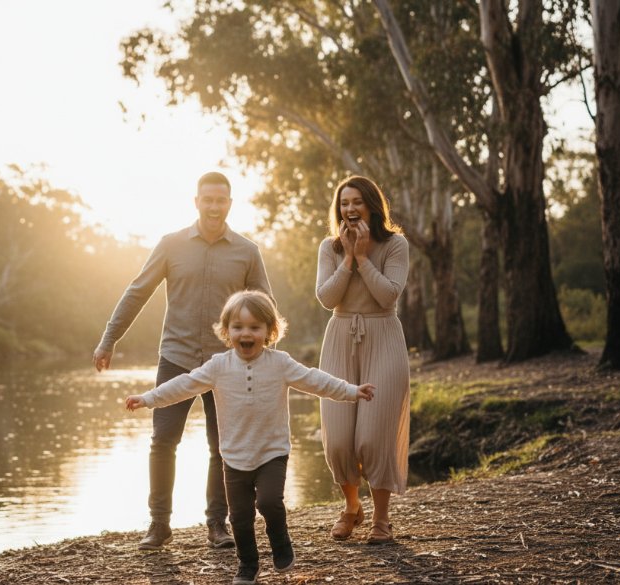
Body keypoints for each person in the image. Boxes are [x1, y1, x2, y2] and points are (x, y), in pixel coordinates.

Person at [126, 291, 374, 585]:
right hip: (233, 457)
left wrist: (351, 390)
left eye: (255, 327)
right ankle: (247, 565)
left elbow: (315, 380)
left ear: (269, 331)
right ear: (226, 331)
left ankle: (280, 540)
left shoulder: (280, 363)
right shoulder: (218, 366)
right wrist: (148, 398)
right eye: (238, 327)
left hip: (272, 452)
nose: (246, 333)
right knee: (240, 518)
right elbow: (184, 385)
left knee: (269, 502)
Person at [93, 171, 273, 551]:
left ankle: (216, 526)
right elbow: (137, 292)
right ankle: (159, 525)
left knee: (221, 446)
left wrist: (265, 358)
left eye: (220, 200)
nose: (213, 206)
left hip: (227, 364)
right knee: (162, 441)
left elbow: (264, 308)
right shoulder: (171, 245)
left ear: (229, 204)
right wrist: (109, 339)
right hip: (175, 358)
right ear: (196, 202)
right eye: (207, 199)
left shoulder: (246, 251)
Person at [315, 175, 410, 544]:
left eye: (356, 202)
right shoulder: (329, 247)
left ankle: (381, 520)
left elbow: (388, 296)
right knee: (339, 439)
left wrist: (364, 257)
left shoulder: (395, 244)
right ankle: (353, 508)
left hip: (383, 339)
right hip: (340, 339)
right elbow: (326, 297)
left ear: (372, 205)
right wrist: (348, 259)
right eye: (344, 203)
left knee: (373, 437)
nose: (350, 209)